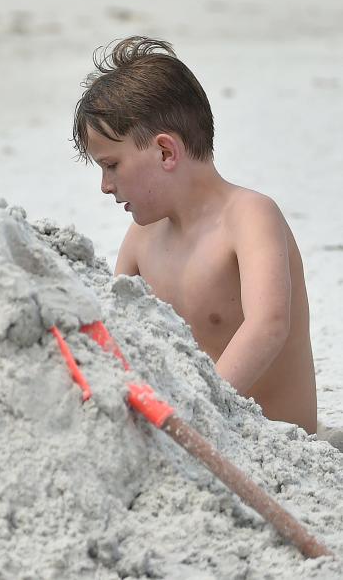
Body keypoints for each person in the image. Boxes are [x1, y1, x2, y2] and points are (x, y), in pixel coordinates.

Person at [74, 37, 317, 433]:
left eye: (112, 165)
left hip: (272, 442)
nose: (105, 185)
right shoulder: (140, 240)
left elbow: (268, 325)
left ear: (166, 152)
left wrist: (199, 412)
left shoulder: (249, 216)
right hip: (190, 436)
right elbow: (118, 334)